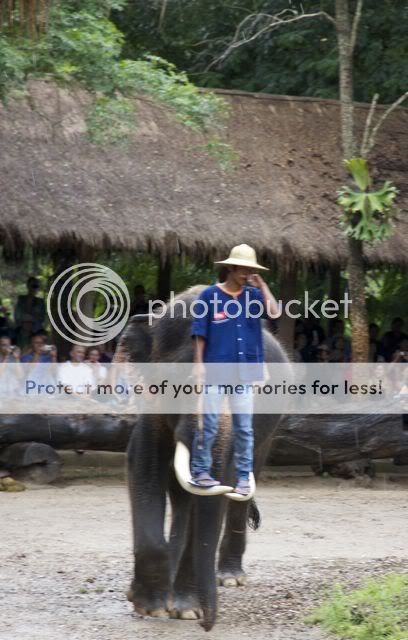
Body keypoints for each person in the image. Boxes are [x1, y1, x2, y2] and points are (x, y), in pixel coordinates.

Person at [189, 244, 279, 496]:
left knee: (244, 428)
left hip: (245, 373)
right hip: (215, 371)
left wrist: (263, 286)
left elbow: (274, 312)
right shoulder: (208, 296)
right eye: (243, 269)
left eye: (251, 270)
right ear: (231, 268)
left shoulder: (254, 296)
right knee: (209, 423)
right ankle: (200, 471)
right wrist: (198, 366)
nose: (247, 274)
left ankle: (243, 477)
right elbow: (199, 333)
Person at [14, 277, 46, 348]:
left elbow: (43, 319)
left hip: (36, 331)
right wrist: (24, 320)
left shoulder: (40, 302)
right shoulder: (21, 299)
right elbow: (17, 316)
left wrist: (31, 318)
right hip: (22, 331)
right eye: (33, 286)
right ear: (28, 286)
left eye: (37, 286)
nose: (35, 288)